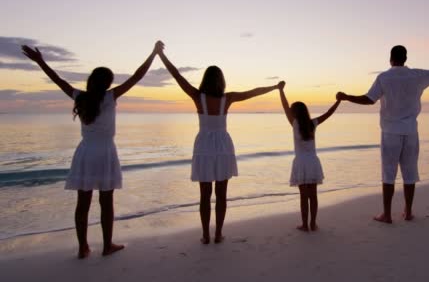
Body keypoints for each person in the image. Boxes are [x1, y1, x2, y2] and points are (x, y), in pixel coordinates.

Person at [21, 41, 162, 258]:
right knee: (106, 203)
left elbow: (57, 79)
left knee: (83, 204)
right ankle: (107, 246)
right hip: (105, 153)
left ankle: (83, 248)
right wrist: (154, 53)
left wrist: (41, 61)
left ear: (91, 81)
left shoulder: (80, 97)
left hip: (85, 153)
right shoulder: (110, 96)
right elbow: (137, 76)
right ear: (107, 83)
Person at [156, 43, 282, 244]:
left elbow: (177, 76)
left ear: (204, 80)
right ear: (221, 81)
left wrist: (160, 54)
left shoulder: (198, 97)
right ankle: (217, 234)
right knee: (221, 194)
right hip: (223, 145)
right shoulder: (228, 98)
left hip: (204, 145)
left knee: (205, 195)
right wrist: (274, 87)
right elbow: (253, 92)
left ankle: (206, 235)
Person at [337, 45, 429, 223]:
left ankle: (386, 214)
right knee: (409, 174)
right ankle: (408, 212)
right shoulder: (417, 75)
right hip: (410, 132)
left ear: (390, 58)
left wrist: (347, 97)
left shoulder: (384, 77)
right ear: (406, 58)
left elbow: (369, 99)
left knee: (388, 174)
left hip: (390, 132)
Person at [278, 81, 341, 232]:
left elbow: (285, 107)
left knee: (303, 196)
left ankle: (305, 225)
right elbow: (328, 113)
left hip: (300, 162)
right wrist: (338, 101)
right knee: (313, 196)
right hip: (313, 162)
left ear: (295, 113)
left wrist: (280, 90)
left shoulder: (294, 124)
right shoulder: (313, 123)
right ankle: (313, 223)